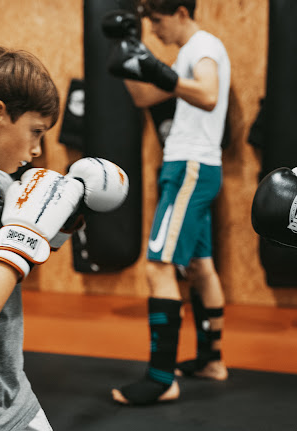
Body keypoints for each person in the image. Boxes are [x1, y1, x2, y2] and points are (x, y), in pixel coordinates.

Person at [0, 46, 129, 431]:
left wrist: (62, 223)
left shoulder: (2, 183)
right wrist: (27, 231)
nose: (37, 149)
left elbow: (17, 257)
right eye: (35, 131)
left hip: (10, 390)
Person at [102, 0, 231, 405]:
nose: (155, 30)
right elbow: (145, 98)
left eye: (157, 21)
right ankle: (212, 360)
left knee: (158, 266)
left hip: (190, 167)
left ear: (180, 12)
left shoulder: (203, 46)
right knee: (200, 266)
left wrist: (160, 70)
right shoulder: (188, 54)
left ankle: (161, 378)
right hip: (196, 166)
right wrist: (126, 57)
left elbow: (208, 95)